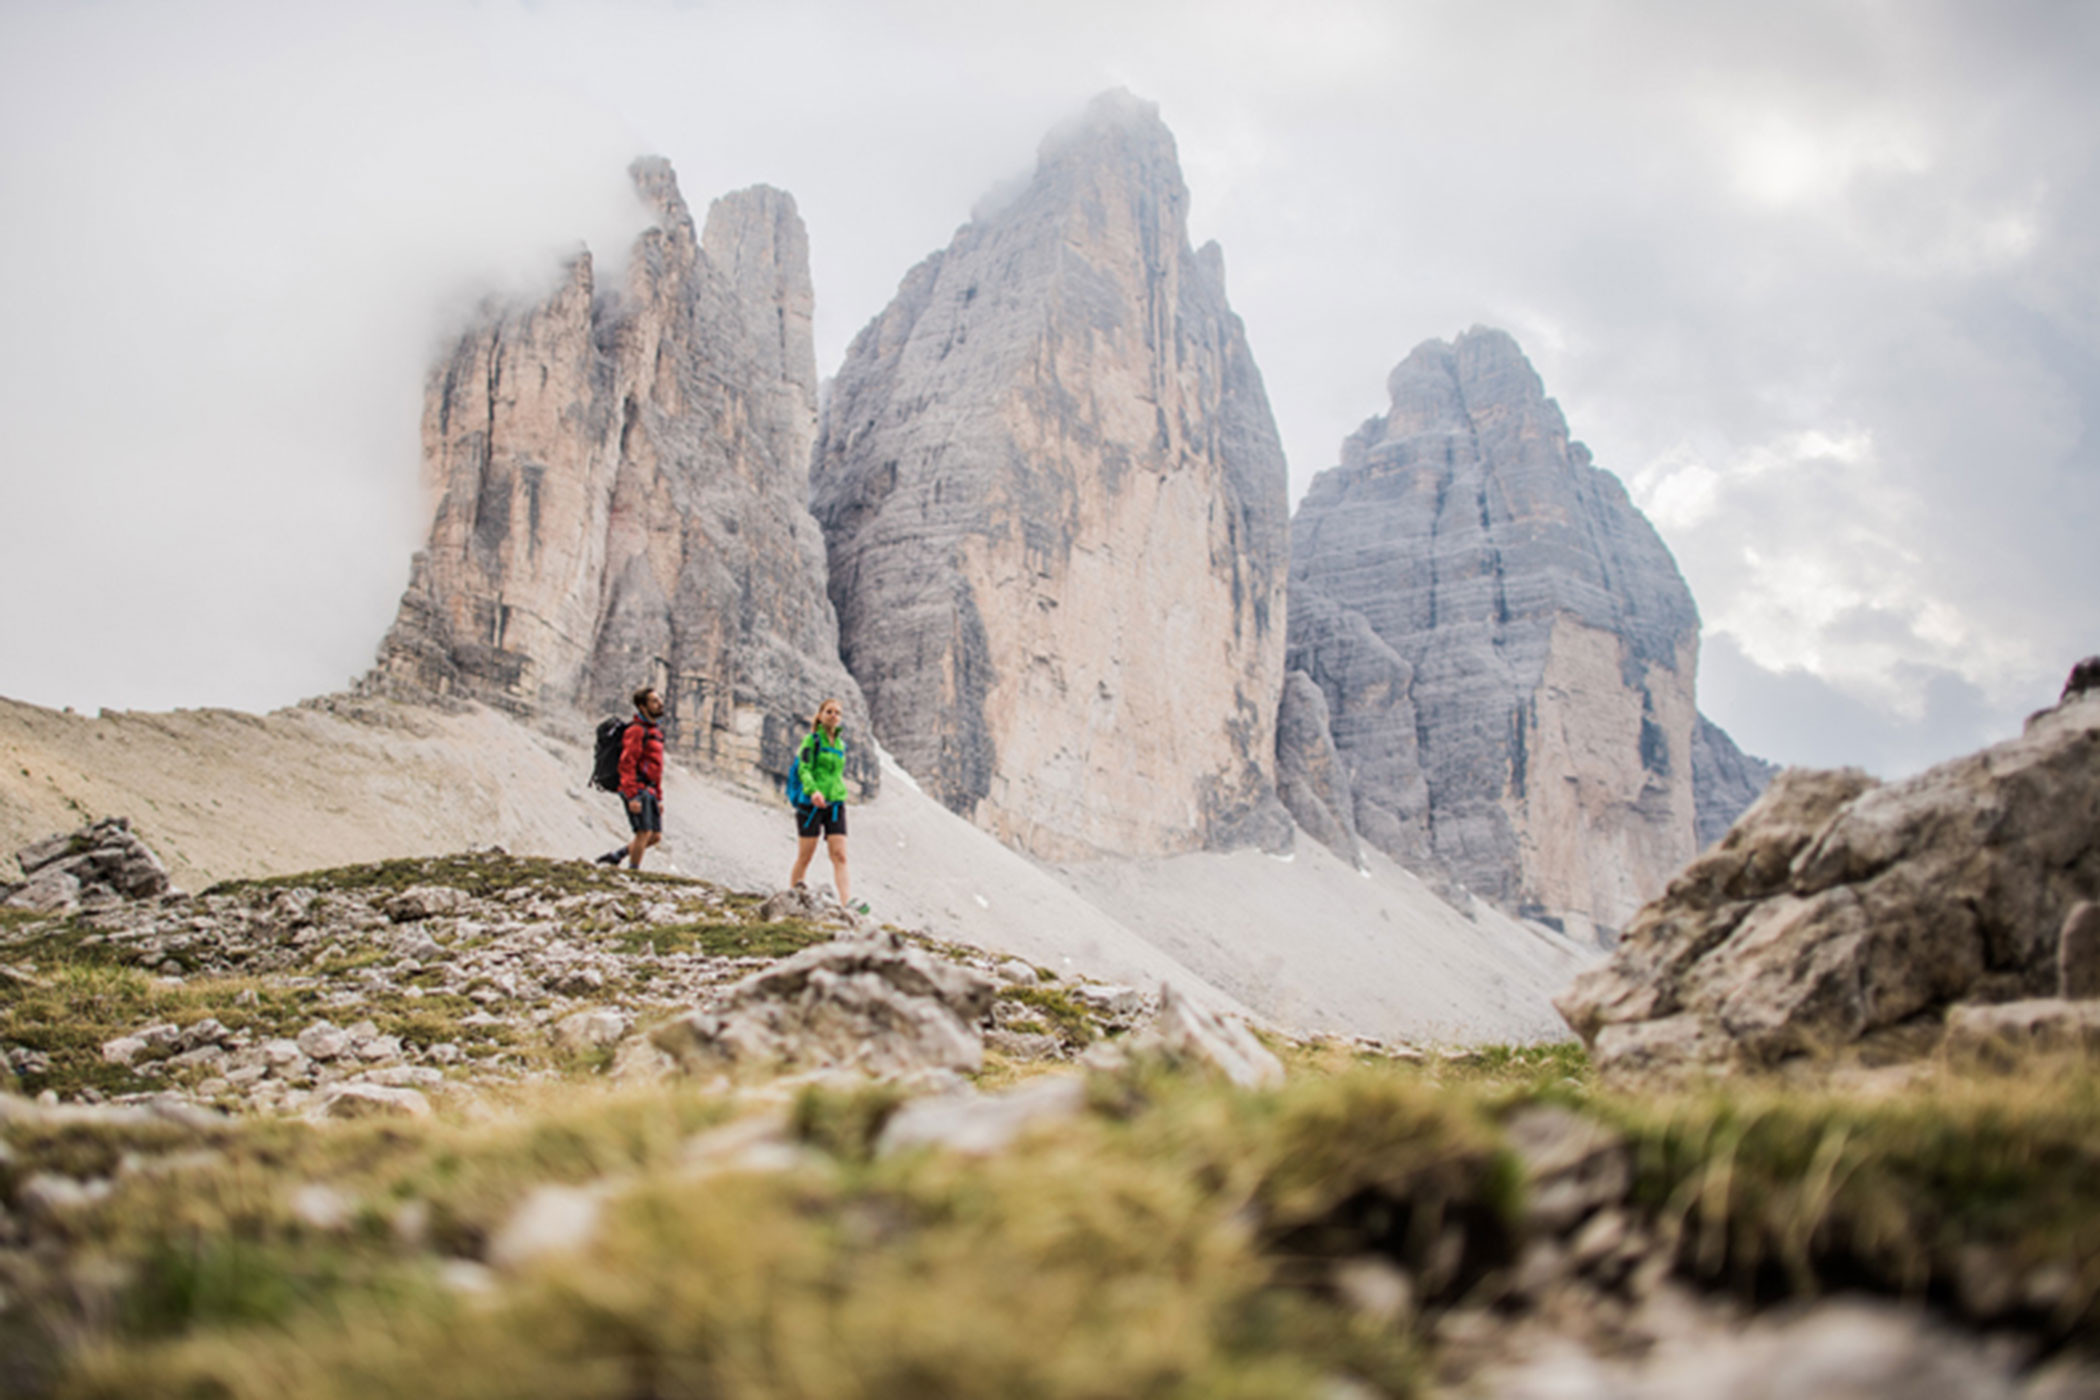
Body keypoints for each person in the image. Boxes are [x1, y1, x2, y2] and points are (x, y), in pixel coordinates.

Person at [787, 697, 864, 913]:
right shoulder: (811, 741)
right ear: (820, 716)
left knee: (840, 855)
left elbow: (837, 773)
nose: (833, 715)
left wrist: (838, 793)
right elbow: (804, 769)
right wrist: (813, 791)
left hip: (835, 805)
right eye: (829, 711)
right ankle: (794, 898)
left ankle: (847, 902)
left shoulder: (841, 745)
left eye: (837, 713)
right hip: (811, 805)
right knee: (805, 856)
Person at [597, 686, 665, 869]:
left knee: (655, 836)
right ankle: (633, 874)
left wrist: (658, 796)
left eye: (659, 700)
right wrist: (632, 794)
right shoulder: (636, 731)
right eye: (654, 701)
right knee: (643, 832)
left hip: (650, 788)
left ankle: (616, 855)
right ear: (642, 707)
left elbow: (657, 767)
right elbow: (627, 763)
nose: (660, 704)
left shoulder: (655, 732)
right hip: (637, 787)